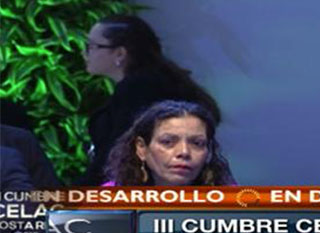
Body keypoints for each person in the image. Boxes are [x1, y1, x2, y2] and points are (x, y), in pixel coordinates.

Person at [80, 14, 221, 185]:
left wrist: (78, 195)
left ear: (120, 53)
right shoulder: (154, 81)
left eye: (91, 46)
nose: (84, 53)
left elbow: (115, 153)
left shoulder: (138, 89)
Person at [104, 101, 235, 186]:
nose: (184, 152)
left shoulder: (232, 201)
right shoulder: (110, 199)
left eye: (197, 143)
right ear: (141, 148)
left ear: (209, 151)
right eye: (167, 142)